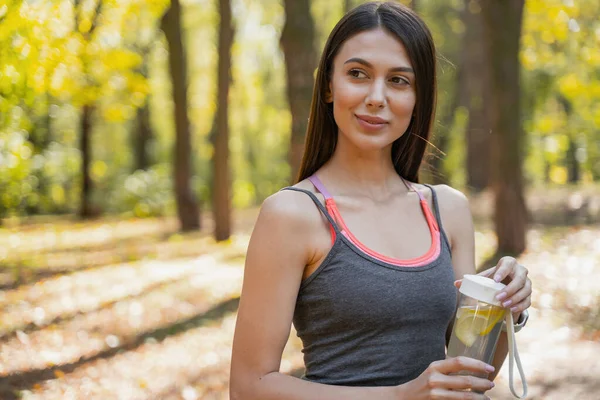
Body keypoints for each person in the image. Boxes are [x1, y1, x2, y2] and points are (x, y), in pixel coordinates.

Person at [230, 2, 532, 399]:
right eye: (357, 74)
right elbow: (249, 386)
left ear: (418, 97)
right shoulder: (293, 215)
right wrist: (399, 396)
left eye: (399, 81)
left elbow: (469, 375)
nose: (376, 97)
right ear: (328, 86)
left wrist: (505, 307)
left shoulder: (448, 210)